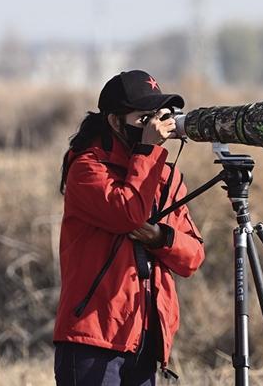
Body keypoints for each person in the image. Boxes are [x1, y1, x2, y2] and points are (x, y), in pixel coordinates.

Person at [53, 70, 205, 385]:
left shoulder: (164, 175)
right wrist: (148, 151)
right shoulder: (88, 168)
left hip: (145, 339)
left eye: (159, 116)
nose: (154, 126)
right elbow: (129, 214)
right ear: (115, 121)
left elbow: (192, 257)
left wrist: (161, 238)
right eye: (144, 118)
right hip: (93, 338)